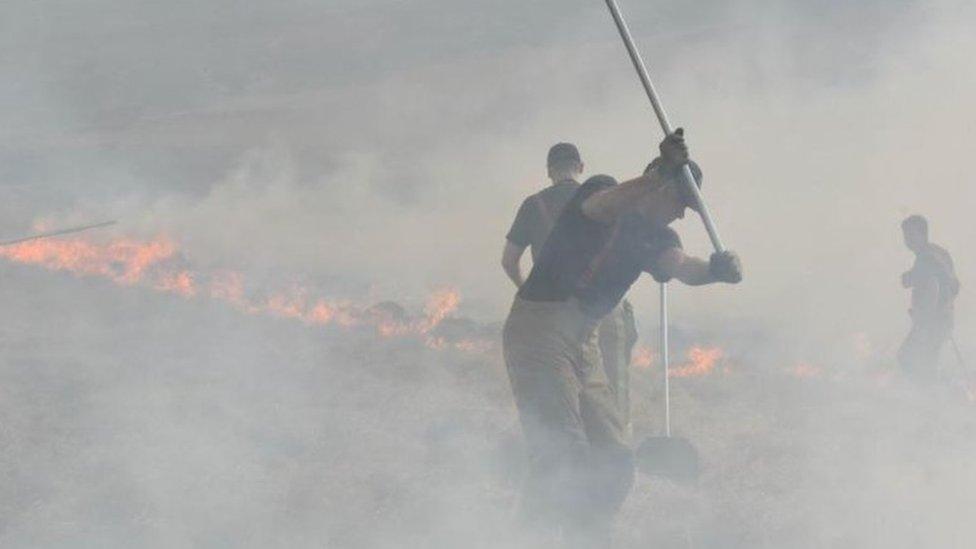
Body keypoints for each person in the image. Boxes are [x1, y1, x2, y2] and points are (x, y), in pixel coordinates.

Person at [502, 129, 742, 546]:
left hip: (584, 341)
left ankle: (586, 536)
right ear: (660, 184)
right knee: (563, 454)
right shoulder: (602, 191)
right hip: (539, 328)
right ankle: (529, 537)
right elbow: (601, 208)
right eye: (681, 202)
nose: (682, 215)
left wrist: (717, 272)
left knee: (614, 460)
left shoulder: (656, 237)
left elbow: (683, 267)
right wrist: (658, 174)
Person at [502, 143, 638, 435]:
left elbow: (509, 260)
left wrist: (528, 293)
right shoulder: (606, 200)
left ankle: (577, 459)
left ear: (549, 171)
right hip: (605, 308)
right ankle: (619, 446)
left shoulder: (533, 205)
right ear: (581, 167)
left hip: (555, 315)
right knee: (612, 387)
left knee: (561, 386)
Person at [897, 215, 959, 383]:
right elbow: (951, 284)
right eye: (905, 235)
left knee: (907, 357)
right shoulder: (936, 254)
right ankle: (933, 397)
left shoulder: (927, 257)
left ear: (922, 234)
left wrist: (926, 317)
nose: (907, 240)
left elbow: (933, 285)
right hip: (941, 319)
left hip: (932, 321)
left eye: (911, 235)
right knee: (927, 360)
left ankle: (929, 397)